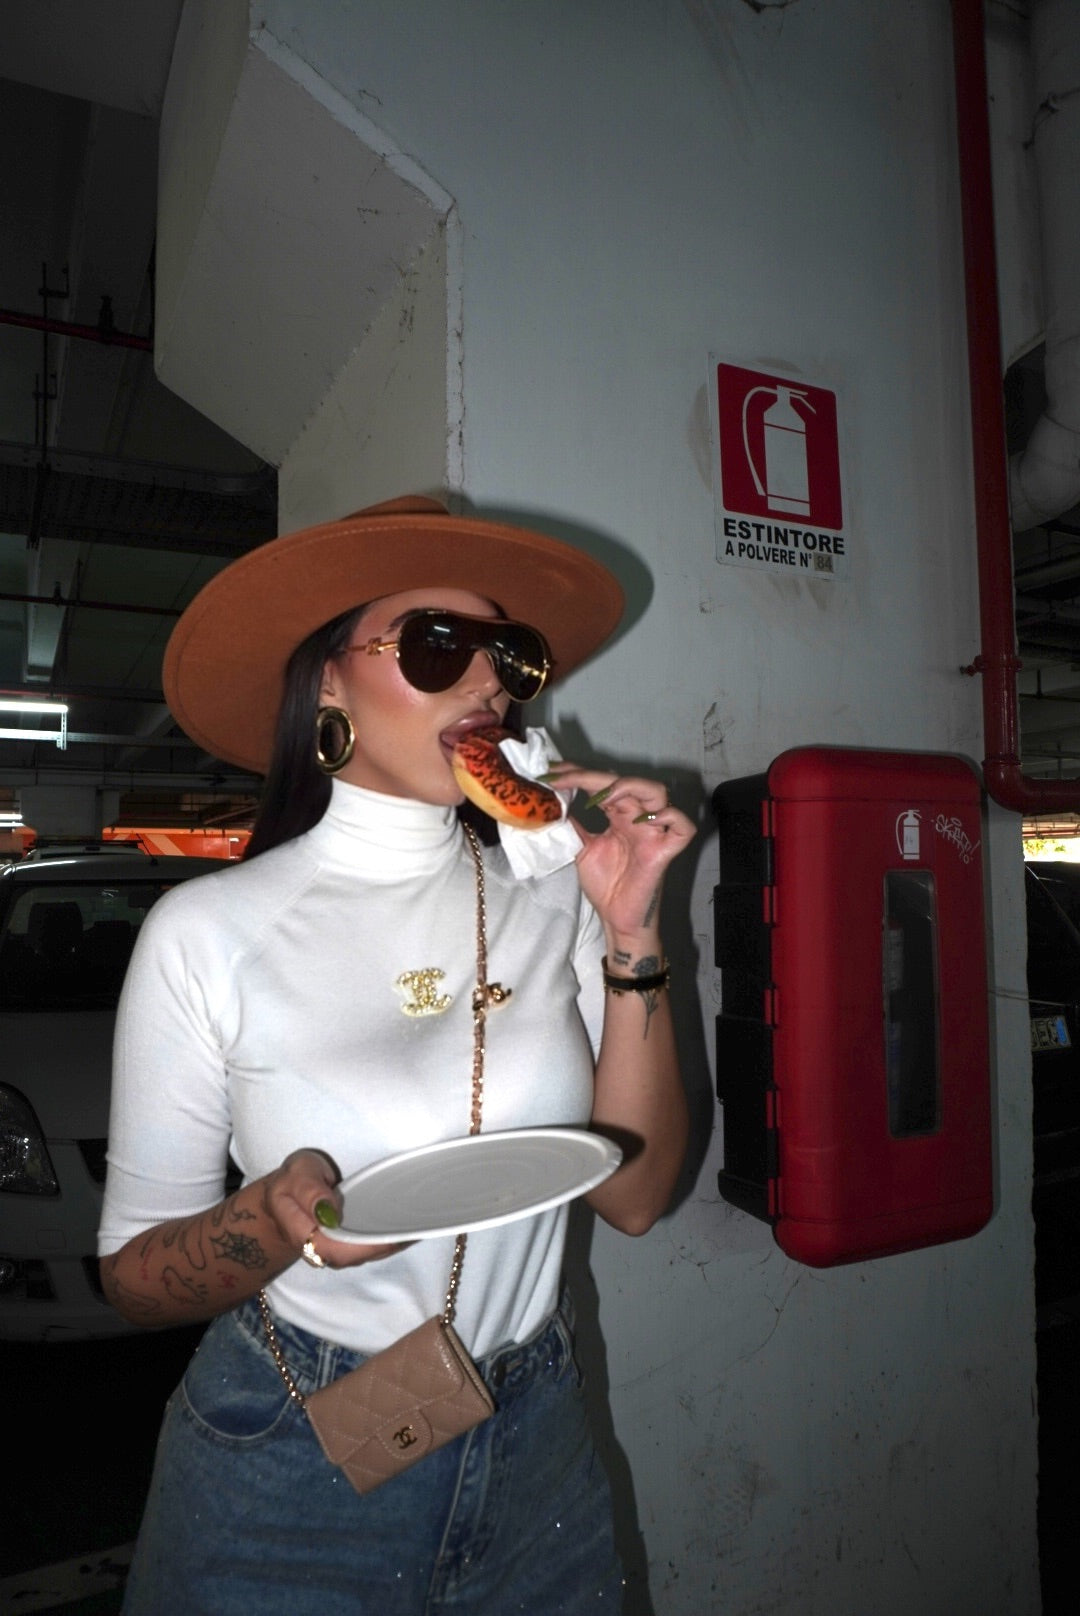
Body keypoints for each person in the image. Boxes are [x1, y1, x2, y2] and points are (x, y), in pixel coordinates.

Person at [98, 495, 693, 1615]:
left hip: (535, 1423)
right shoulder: (208, 932)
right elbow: (133, 1279)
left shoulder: (550, 894)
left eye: (509, 656)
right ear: (330, 683)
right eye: (436, 644)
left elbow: (637, 1195)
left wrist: (632, 929)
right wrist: (271, 1221)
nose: (488, 684)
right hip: (293, 1447)